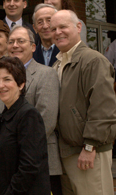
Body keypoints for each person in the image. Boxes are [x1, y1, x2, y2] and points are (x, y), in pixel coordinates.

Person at [51, 10, 116, 195]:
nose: (58, 32)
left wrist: (90, 146)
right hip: (67, 152)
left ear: (78, 27)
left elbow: (103, 108)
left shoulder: (93, 60)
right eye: (54, 28)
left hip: (89, 152)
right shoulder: (57, 64)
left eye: (63, 26)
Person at [8, 25, 62, 194]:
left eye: (20, 41)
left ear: (33, 47)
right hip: (13, 162)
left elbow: (47, 119)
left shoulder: (46, 74)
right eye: (11, 42)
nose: (15, 45)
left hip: (40, 159)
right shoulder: (3, 79)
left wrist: (18, 146)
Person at [0, 56, 50, 195]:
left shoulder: (29, 115)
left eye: (7, 79)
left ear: (21, 84)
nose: (0, 85)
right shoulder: (5, 115)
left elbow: (29, 167)